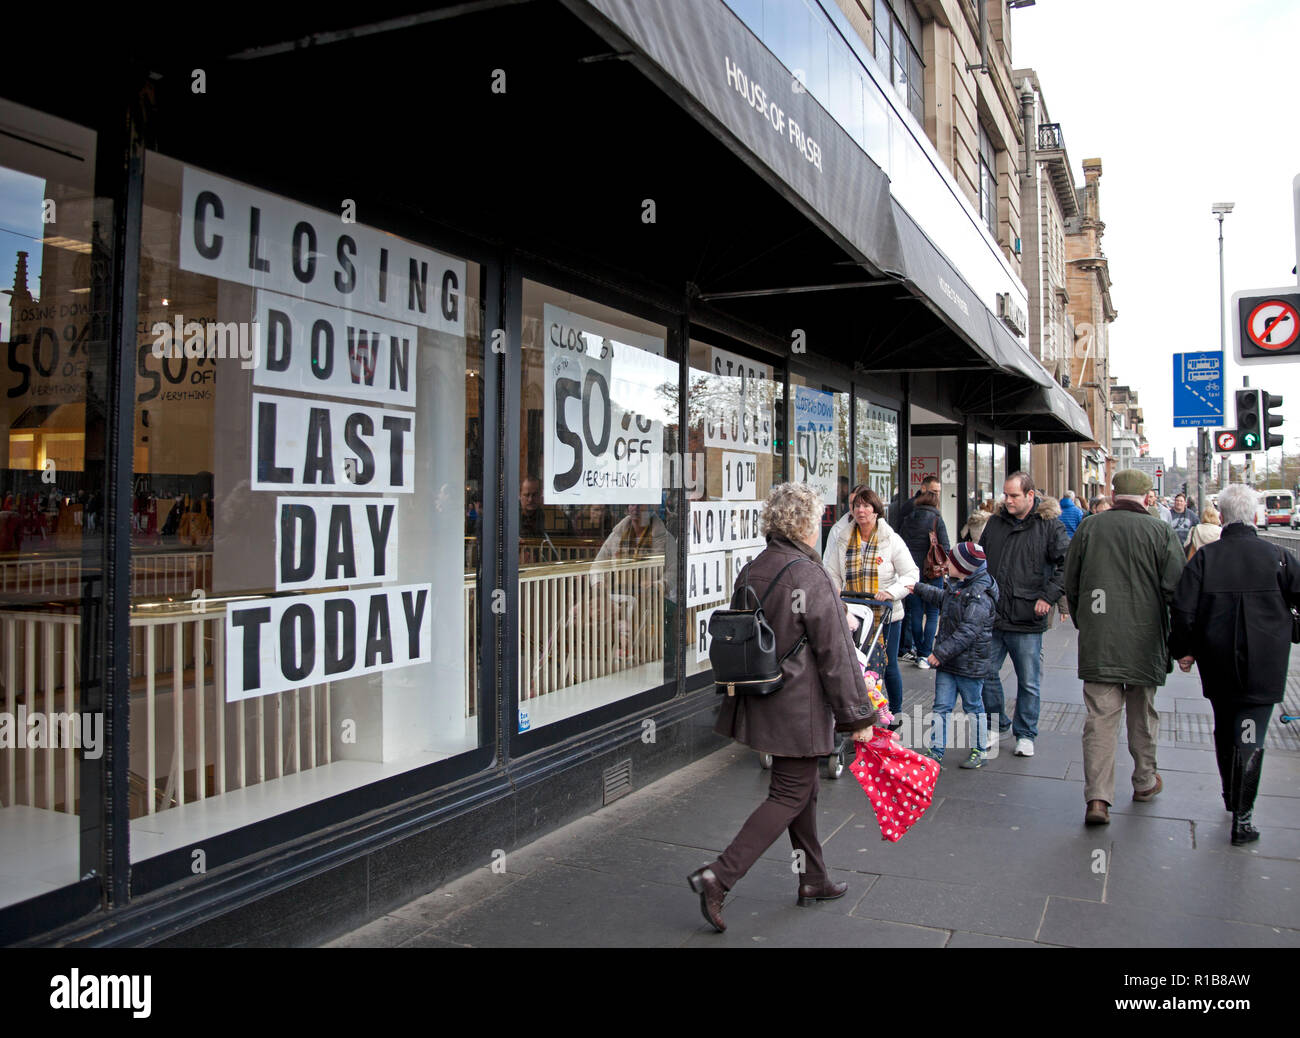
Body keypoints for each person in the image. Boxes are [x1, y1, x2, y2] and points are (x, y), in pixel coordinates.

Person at [688, 482, 877, 932]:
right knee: (790, 793)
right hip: (800, 707)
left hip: (762, 698)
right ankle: (719, 876)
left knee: (803, 789)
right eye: (817, 520)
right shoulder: (811, 576)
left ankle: (813, 878)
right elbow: (838, 655)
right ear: (807, 525)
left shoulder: (753, 569)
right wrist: (858, 718)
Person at [1169, 484, 1300, 845]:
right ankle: (1243, 818)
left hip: (1218, 659)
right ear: (1255, 516)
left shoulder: (1207, 558)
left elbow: (1183, 609)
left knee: (1226, 726)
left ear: (1223, 517)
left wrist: (1184, 649)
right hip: (1266, 662)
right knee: (1250, 733)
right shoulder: (1280, 557)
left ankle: (1232, 794)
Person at [1064, 469, 1185, 826]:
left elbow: (1071, 582)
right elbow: (1176, 590)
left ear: (1114, 494)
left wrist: (1086, 622)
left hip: (1100, 639)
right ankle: (1145, 780)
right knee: (1142, 712)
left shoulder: (1089, 527)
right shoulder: (1160, 531)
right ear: (1147, 497)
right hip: (1145, 639)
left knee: (1100, 719)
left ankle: (1098, 798)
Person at [978, 472, 1070, 758]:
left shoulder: (1050, 526)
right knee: (985, 672)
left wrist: (1049, 596)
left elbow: (1067, 565)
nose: (1007, 500)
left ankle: (1026, 733)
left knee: (1028, 680)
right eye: (1006, 495)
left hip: (1027, 615)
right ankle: (997, 724)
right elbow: (980, 560)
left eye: (1014, 496)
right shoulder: (994, 523)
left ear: (1030, 496)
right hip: (993, 613)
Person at [823, 485, 919, 722]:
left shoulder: (891, 540)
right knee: (855, 665)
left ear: (877, 511)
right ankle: (859, 715)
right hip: (853, 614)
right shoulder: (842, 538)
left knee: (888, 666)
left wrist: (891, 592)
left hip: (885, 615)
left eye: (866, 506)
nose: (861, 510)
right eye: (857, 506)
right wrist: (835, 591)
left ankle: (895, 714)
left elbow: (911, 574)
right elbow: (832, 571)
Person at [906, 541, 998, 770]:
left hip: (970, 664)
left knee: (973, 706)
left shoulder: (980, 595)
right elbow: (944, 599)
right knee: (941, 707)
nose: (946, 564)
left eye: (951, 561)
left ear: (964, 566)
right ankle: (936, 750)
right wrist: (918, 588)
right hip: (950, 663)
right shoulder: (960, 584)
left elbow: (968, 631)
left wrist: (938, 654)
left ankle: (979, 750)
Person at [897, 487, 950, 668]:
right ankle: (926, 653)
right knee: (933, 613)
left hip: (911, 573)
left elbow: (901, 545)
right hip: (932, 572)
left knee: (916, 613)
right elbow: (946, 547)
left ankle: (919, 652)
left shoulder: (908, 519)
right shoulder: (937, 520)